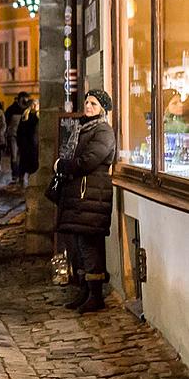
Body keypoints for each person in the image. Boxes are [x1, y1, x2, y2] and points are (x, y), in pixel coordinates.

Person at [54, 90, 115, 314]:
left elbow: (89, 161)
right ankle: (85, 291)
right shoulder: (82, 128)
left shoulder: (104, 131)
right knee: (79, 245)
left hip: (92, 193)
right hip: (81, 194)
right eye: (87, 102)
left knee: (91, 246)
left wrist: (64, 166)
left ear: (103, 109)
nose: (88, 106)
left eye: (94, 104)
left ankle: (96, 294)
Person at [6, 92, 30, 185]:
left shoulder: (28, 110)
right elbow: (6, 123)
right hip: (14, 135)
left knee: (23, 156)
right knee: (14, 157)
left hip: (24, 137)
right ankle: (15, 175)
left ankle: (21, 175)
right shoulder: (11, 110)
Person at [16, 99, 40, 183]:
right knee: (23, 161)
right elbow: (20, 129)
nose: (34, 106)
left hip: (34, 143)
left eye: (35, 104)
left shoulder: (39, 116)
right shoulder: (25, 115)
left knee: (33, 161)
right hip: (25, 143)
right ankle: (21, 177)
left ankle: (31, 177)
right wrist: (19, 141)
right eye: (32, 104)